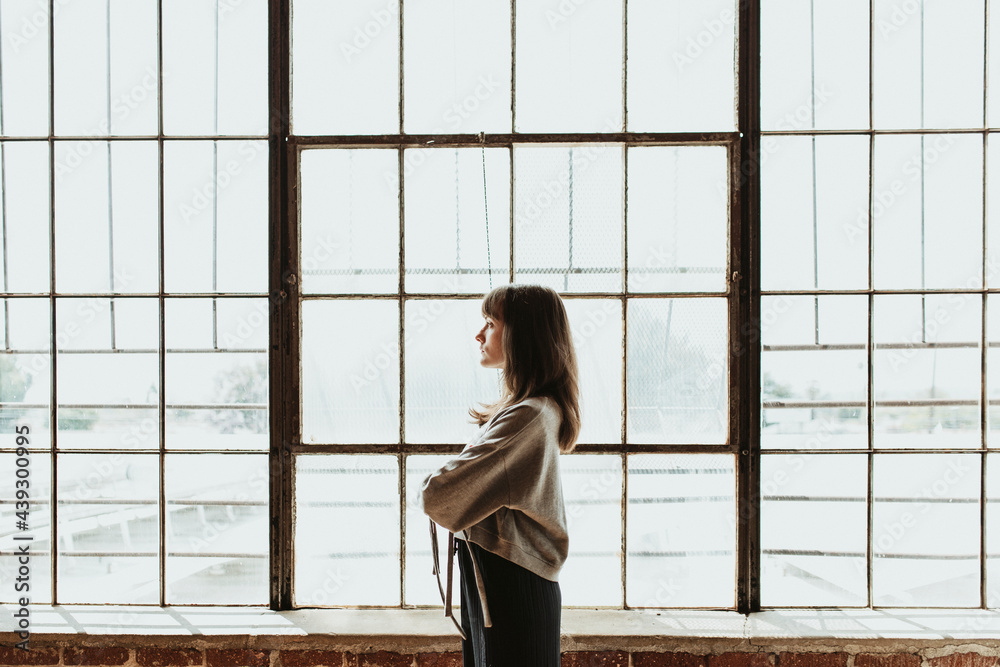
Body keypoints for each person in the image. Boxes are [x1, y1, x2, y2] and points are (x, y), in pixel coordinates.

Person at [420, 283, 581, 666]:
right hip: (503, 580)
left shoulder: (527, 417)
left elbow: (438, 495)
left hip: (512, 586)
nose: (479, 334)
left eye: (490, 322)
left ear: (521, 336)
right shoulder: (532, 410)